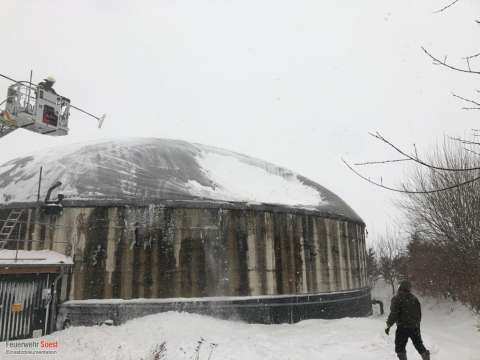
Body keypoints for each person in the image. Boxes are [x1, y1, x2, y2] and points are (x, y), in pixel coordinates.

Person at [385, 280, 430, 360]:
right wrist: (416, 326)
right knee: (419, 345)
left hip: (403, 328)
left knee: (399, 347)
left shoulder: (397, 299)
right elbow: (419, 314)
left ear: (400, 287)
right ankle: (426, 356)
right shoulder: (414, 299)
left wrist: (388, 325)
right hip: (414, 327)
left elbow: (394, 314)